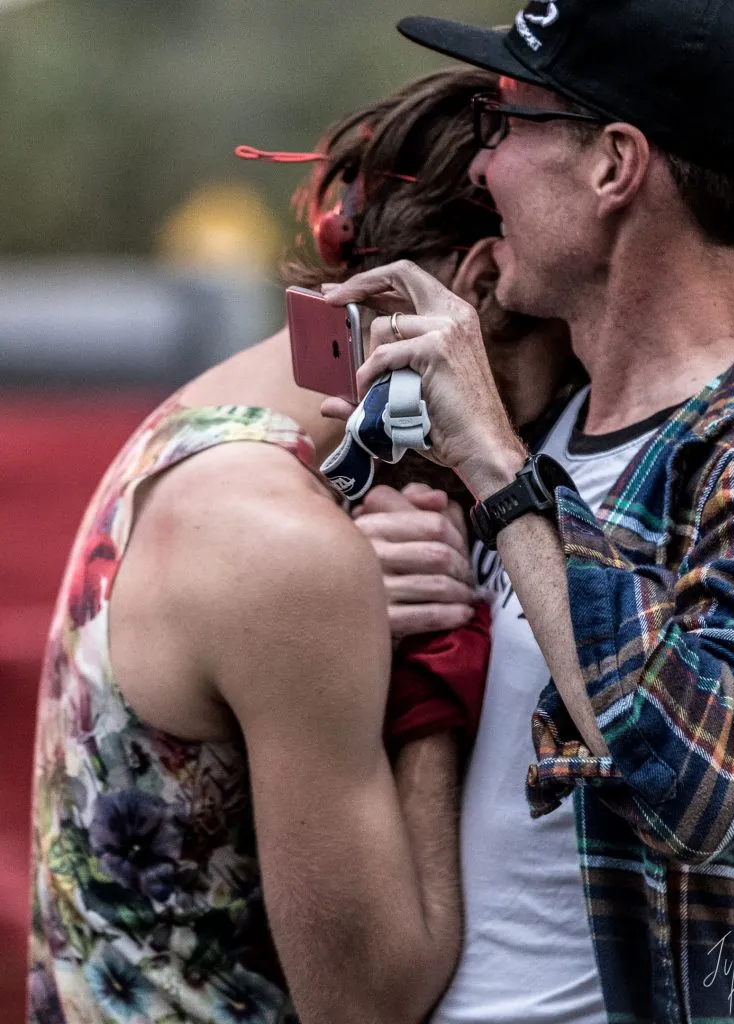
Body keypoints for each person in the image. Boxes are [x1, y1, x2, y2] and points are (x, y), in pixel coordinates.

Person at [27, 67, 573, 1024]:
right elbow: (371, 1001)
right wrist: (433, 655)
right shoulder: (288, 548)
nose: (562, 407)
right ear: (480, 284)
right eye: (566, 356)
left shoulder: (205, 419)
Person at [321, 1, 734, 1020]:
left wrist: (499, 470)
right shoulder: (553, 411)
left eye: (508, 119)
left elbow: (705, 780)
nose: (479, 167)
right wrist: (398, 570)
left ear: (614, 166)